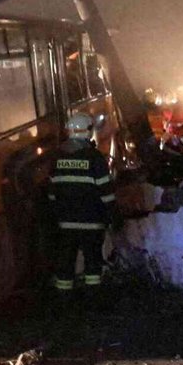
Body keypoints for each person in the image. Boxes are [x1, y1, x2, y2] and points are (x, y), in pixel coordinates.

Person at [47, 112, 115, 295]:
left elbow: (52, 193)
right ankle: (93, 299)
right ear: (88, 131)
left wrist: (57, 216)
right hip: (91, 221)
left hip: (66, 223)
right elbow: (106, 193)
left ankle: (64, 300)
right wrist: (113, 216)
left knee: (66, 262)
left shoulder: (57, 158)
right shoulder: (94, 158)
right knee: (92, 261)